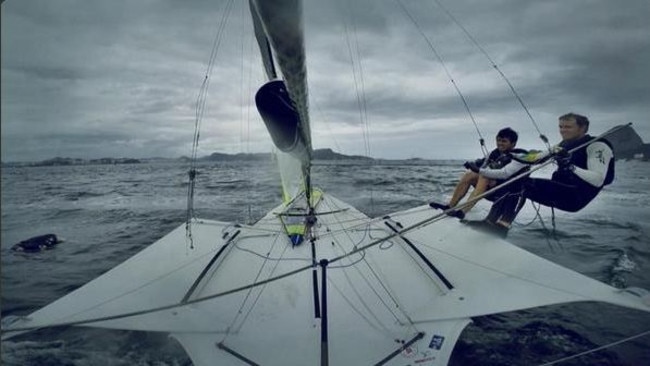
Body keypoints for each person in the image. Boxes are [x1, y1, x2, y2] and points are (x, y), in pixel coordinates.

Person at [464, 112, 615, 237]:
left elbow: (598, 179)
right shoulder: (563, 145)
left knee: (523, 184)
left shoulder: (598, 146)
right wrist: (513, 156)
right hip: (561, 189)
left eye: (568, 127)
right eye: (561, 126)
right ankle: (490, 222)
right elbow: (536, 158)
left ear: (583, 128)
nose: (563, 130)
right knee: (515, 181)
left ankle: (502, 226)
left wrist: (570, 167)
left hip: (576, 196)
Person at [430, 127, 527, 219]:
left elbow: (505, 173)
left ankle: (462, 212)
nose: (499, 143)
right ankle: (450, 206)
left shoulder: (518, 156)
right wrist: (473, 165)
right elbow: (482, 165)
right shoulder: (494, 153)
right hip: (489, 188)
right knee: (469, 174)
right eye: (498, 140)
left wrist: (482, 172)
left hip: (504, 191)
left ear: (513, 144)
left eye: (504, 141)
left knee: (484, 176)